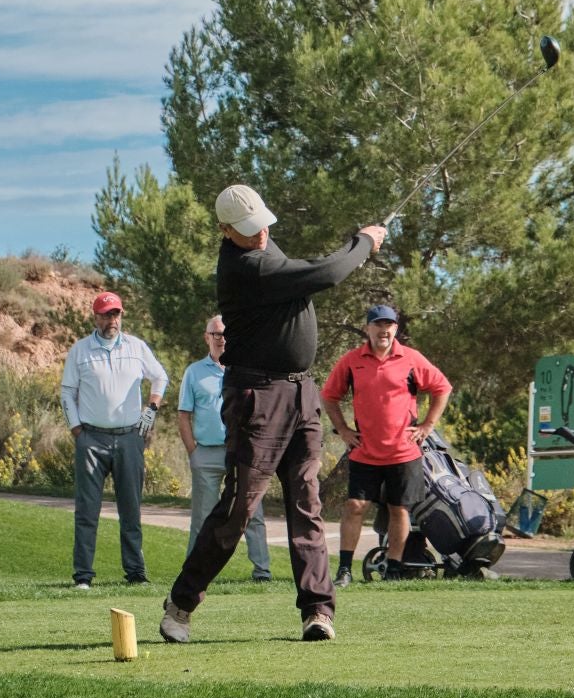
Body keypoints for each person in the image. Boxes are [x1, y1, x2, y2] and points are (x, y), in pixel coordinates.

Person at [159, 184, 385, 645]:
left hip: (301, 394)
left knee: (307, 504)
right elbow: (326, 273)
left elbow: (308, 271)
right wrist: (363, 242)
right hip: (256, 397)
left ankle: (317, 611)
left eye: (262, 222)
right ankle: (180, 604)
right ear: (224, 231)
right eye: (247, 229)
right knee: (239, 508)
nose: (260, 234)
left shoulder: (260, 242)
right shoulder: (246, 268)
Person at [321, 304, 452, 584]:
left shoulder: (411, 358)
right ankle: (344, 570)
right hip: (364, 452)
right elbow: (329, 395)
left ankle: (394, 568)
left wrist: (427, 425)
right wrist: (343, 429)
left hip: (404, 452)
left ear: (395, 328)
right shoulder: (352, 360)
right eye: (378, 324)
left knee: (399, 509)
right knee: (355, 506)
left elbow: (442, 388)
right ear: (368, 328)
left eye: (389, 325)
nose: (384, 330)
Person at [61, 291, 169, 590]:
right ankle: (83, 575)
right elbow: (67, 392)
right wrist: (76, 430)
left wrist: (152, 408)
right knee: (87, 510)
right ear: (95, 317)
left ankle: (135, 572)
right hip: (91, 438)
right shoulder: (80, 351)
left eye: (116, 314)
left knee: (131, 509)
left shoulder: (136, 347)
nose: (112, 320)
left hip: (130, 437)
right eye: (106, 314)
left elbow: (160, 377)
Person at [176, 313, 272, 582]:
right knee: (203, 517)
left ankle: (262, 571)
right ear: (207, 337)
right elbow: (184, 414)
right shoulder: (194, 372)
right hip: (206, 452)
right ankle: (193, 573)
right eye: (216, 334)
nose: (221, 339)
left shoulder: (245, 368)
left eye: (225, 334)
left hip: (242, 452)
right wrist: (193, 452)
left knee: (252, 513)